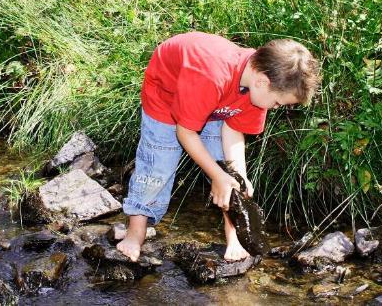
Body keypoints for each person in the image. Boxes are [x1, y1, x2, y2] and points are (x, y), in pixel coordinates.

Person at [116, 32, 322, 261]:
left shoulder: (257, 88)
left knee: (229, 174)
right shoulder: (211, 76)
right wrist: (216, 175)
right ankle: (135, 232)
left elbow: (233, 132)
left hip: (215, 102)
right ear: (262, 81)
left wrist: (238, 177)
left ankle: (234, 236)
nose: (275, 108)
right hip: (165, 96)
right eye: (277, 103)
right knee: (158, 165)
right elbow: (185, 132)